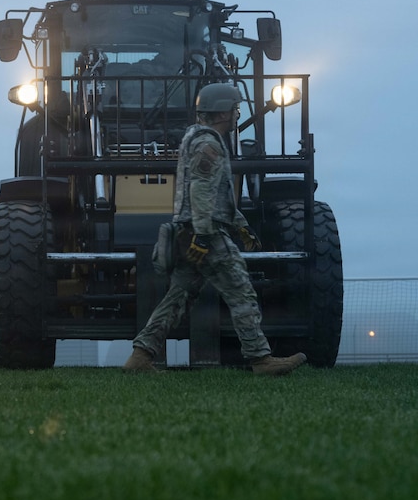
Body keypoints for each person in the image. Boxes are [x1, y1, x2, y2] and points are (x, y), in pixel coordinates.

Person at [123, 83, 307, 376]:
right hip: (205, 235)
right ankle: (261, 358)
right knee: (241, 291)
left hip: (191, 233)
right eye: (234, 109)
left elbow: (218, 192)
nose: (237, 114)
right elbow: (202, 191)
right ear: (222, 112)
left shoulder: (197, 139)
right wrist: (205, 236)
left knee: (178, 297)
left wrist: (241, 225)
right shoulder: (207, 143)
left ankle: (141, 354)